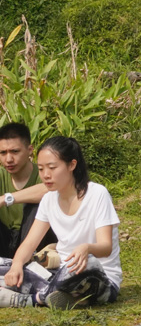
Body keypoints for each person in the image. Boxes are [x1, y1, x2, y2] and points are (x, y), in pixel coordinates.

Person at [0, 136, 121, 309]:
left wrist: (87, 248)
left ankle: (33, 297)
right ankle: (51, 296)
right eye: (41, 169)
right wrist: (17, 266)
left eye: (52, 168)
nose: (45, 175)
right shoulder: (49, 199)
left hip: (96, 277)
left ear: (72, 165)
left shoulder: (97, 194)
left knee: (87, 266)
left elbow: (105, 247)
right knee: (12, 266)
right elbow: (29, 243)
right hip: (55, 274)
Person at [0, 124, 55, 259]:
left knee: (39, 206)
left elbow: (51, 189)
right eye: (3, 153)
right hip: (4, 240)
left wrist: (6, 198)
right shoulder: (1, 175)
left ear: (30, 150)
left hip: (36, 241)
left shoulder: (43, 173)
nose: (9, 159)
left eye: (15, 151)